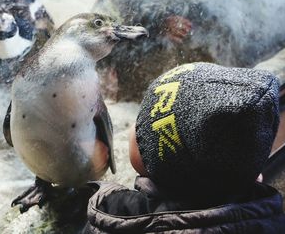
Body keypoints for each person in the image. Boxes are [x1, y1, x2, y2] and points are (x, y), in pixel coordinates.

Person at [83, 62, 285, 233]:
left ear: (165, 162)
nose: (132, 130)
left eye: (142, 126)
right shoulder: (271, 219)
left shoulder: (116, 216)